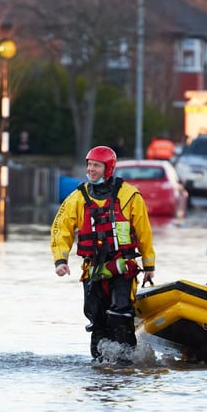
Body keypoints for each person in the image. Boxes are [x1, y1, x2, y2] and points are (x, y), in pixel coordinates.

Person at [50, 146, 155, 362]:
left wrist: (149, 265)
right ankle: (99, 366)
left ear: (108, 169)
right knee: (96, 320)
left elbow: (144, 231)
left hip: (122, 268)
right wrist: (61, 260)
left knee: (120, 313)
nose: (91, 169)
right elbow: (61, 229)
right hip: (93, 270)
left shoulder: (130, 195)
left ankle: (126, 363)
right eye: (89, 165)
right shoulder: (77, 198)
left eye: (96, 165)